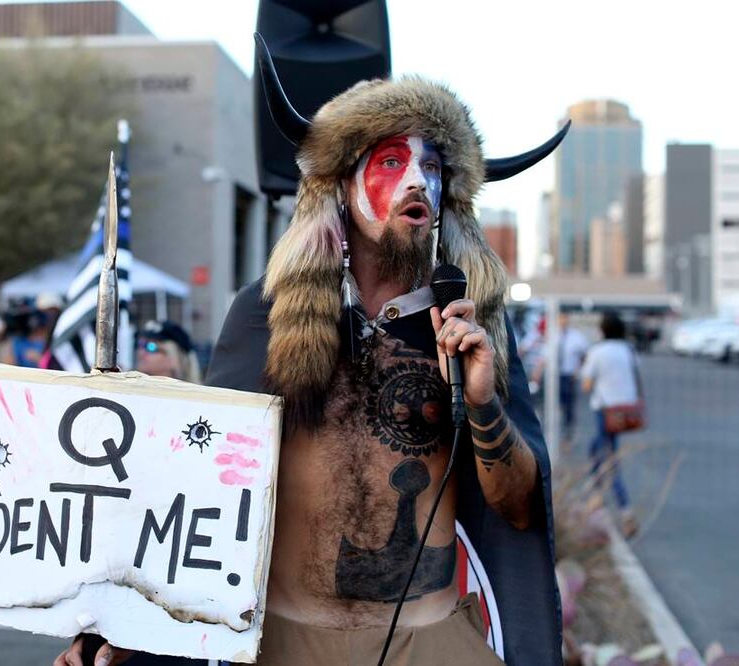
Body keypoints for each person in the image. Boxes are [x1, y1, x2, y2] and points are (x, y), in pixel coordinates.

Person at [57, 42, 567, 666]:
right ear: (342, 187)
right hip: (282, 641)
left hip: (427, 640)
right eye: (390, 161)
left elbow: (518, 510)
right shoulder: (267, 314)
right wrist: (125, 624)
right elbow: (198, 484)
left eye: (433, 167)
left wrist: (482, 403)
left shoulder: (468, 324)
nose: (417, 181)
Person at [580, 312, 640, 533]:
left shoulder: (597, 351)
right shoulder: (628, 350)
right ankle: (595, 497)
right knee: (597, 449)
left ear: (602, 330)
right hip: (625, 410)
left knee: (608, 459)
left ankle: (625, 510)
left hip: (606, 410)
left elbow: (586, 385)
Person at [135, 320, 201, 383]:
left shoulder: (193, 391)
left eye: (151, 347)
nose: (141, 353)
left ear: (174, 359)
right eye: (141, 344)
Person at [556, 312, 589, 437]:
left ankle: (568, 430)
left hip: (569, 375)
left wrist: (578, 370)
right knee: (555, 402)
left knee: (569, 404)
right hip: (554, 375)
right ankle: (556, 428)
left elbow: (585, 355)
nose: (562, 321)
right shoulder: (553, 334)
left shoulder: (576, 337)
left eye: (564, 318)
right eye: (560, 318)